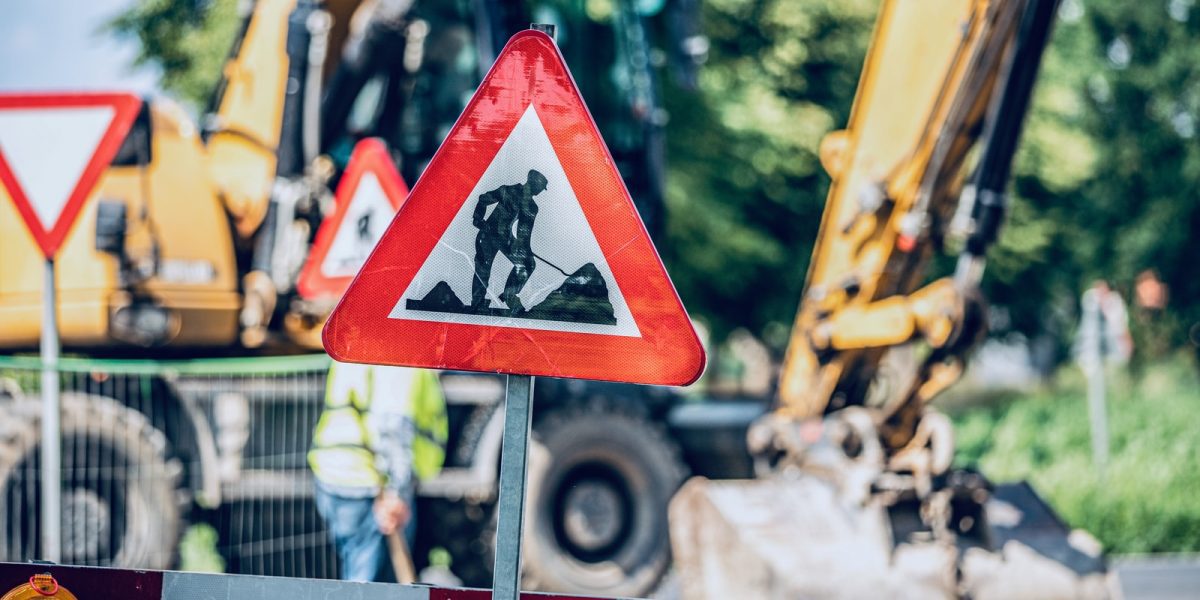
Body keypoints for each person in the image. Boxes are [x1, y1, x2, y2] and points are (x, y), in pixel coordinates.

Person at [309, 360, 447, 582]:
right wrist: (396, 493)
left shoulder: (357, 342)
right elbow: (393, 428)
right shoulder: (400, 350)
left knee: (358, 574)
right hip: (370, 485)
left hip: (335, 473)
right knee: (369, 584)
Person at [471, 169, 548, 314]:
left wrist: (526, 249)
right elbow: (483, 199)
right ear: (534, 184)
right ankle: (478, 304)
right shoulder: (509, 191)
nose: (539, 192)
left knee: (528, 263)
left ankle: (509, 295)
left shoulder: (529, 205)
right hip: (487, 235)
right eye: (539, 188)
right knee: (483, 269)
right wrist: (478, 220)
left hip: (503, 238)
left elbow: (523, 233)